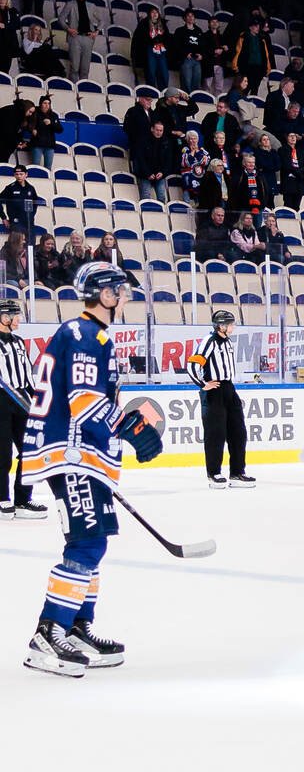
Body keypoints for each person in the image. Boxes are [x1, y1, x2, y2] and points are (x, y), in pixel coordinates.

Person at [21, 262, 165, 675]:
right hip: (71, 454)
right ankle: (48, 633)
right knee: (85, 543)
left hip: (84, 455)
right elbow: (84, 402)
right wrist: (131, 428)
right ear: (104, 294)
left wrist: (123, 433)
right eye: (121, 290)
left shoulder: (88, 335)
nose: (126, 297)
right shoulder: (85, 334)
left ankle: (78, 627)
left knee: (96, 542)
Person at [186, 308, 254, 488]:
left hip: (229, 388)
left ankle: (237, 472)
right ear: (221, 326)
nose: (233, 326)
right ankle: (214, 473)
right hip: (214, 391)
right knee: (215, 434)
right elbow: (192, 364)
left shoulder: (227, 341)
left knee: (238, 432)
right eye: (230, 324)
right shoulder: (209, 341)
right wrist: (203, 384)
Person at [0, 297, 48, 518]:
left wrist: (36, 400)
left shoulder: (19, 342)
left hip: (21, 402)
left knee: (30, 451)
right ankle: (2, 498)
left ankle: (22, 499)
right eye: (15, 315)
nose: (19, 319)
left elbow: (28, 376)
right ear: (4, 317)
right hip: (1, 403)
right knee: (2, 455)